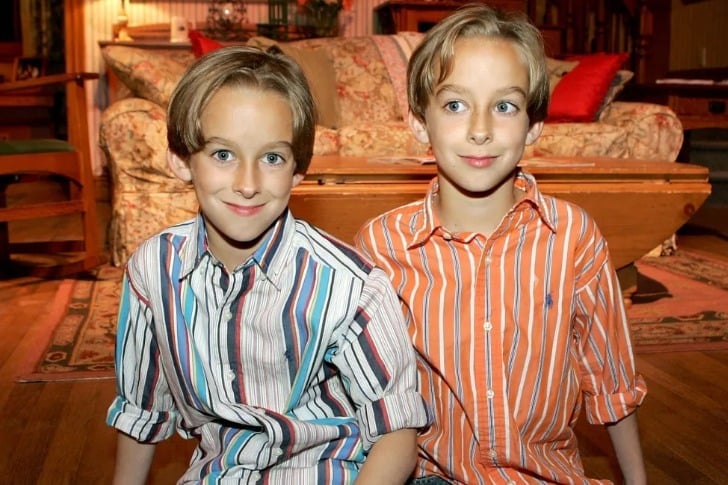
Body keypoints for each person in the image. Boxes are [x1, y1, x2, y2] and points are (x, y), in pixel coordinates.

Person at [107, 45, 430, 484]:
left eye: (272, 158)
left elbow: (397, 432)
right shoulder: (152, 270)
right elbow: (141, 412)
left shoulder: (351, 286)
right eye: (223, 155)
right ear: (181, 161)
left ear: (297, 170)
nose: (248, 184)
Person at [354, 5, 648, 484]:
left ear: (533, 125)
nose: (480, 129)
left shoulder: (573, 237)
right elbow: (368, 400)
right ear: (419, 122)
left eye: (504, 106)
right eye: (455, 105)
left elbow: (612, 383)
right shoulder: (381, 246)